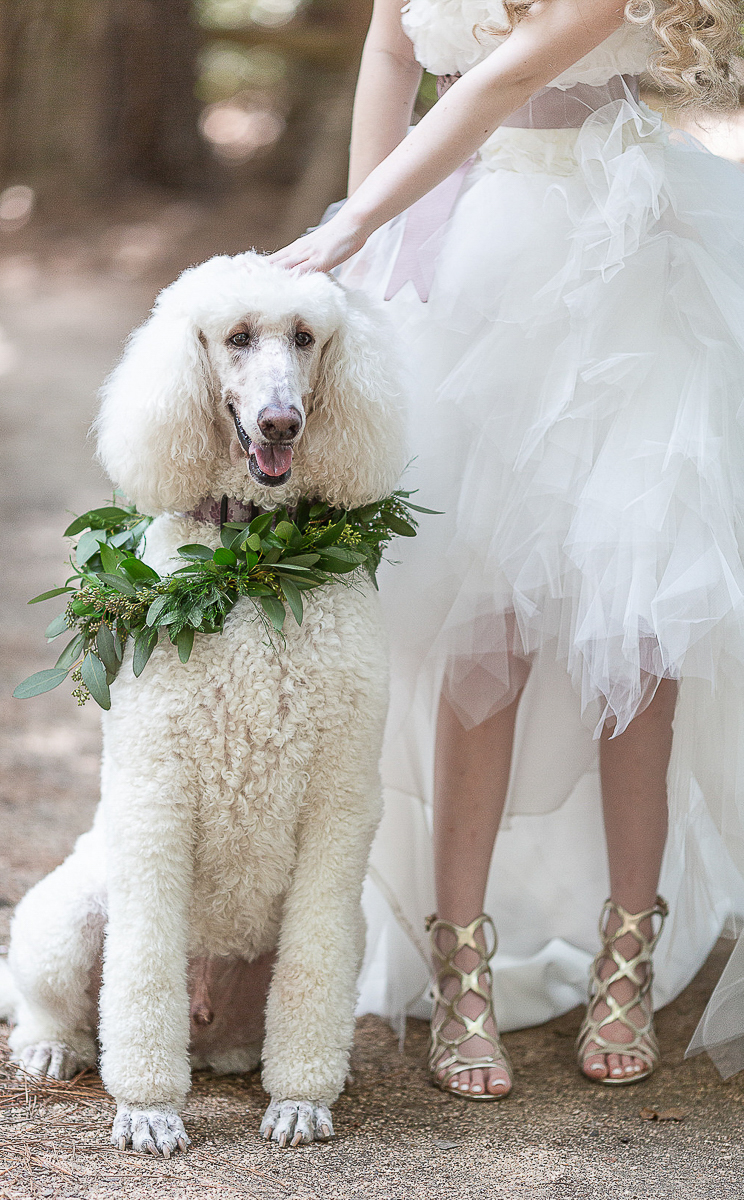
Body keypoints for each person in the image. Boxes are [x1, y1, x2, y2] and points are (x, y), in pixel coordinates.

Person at [271, 0, 744, 1099]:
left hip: (615, 264)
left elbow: (499, 80)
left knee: (638, 629)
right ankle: (460, 963)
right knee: (481, 630)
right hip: (473, 260)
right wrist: (380, 236)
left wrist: (351, 222)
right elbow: (390, 47)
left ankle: (625, 955)